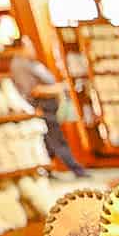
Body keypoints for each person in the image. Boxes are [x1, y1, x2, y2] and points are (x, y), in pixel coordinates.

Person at [10, 36, 86, 178]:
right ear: (21, 48)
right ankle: (77, 170)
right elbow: (33, 90)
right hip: (41, 106)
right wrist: (58, 88)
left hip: (49, 105)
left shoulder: (29, 63)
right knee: (56, 139)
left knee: (49, 140)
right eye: (29, 46)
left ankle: (49, 171)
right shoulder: (19, 65)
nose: (33, 49)